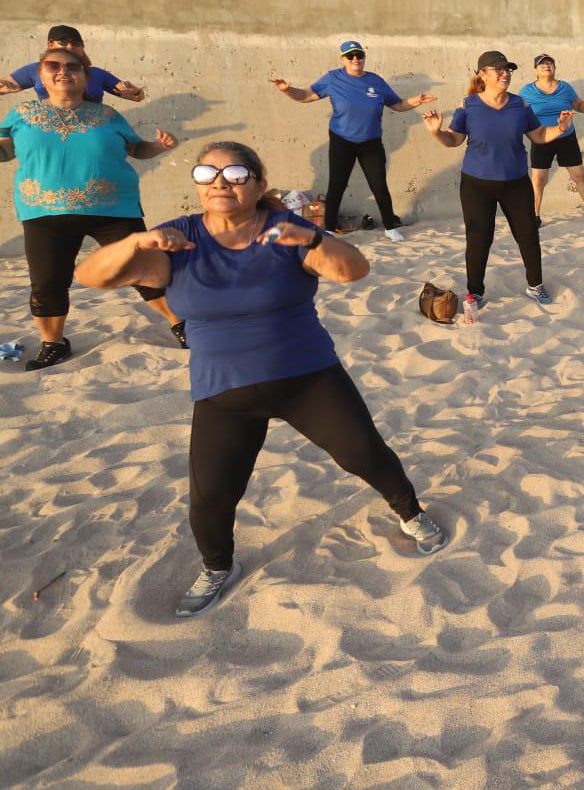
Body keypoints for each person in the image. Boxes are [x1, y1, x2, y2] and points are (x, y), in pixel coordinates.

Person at [74, 141, 447, 618]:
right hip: (223, 392)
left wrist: (313, 239)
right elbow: (91, 277)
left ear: (258, 183)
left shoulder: (284, 231)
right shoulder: (176, 239)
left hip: (307, 378)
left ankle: (411, 513)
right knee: (210, 497)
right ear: (197, 185)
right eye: (207, 174)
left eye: (233, 173)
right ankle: (216, 566)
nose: (220, 183)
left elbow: (355, 270)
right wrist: (131, 243)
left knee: (363, 453)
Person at [0, 45, 182, 369]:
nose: (63, 71)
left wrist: (159, 146)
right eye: (53, 65)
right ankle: (54, 343)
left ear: (86, 77)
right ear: (40, 75)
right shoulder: (20, 115)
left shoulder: (109, 115)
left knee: (144, 269)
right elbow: (4, 152)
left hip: (113, 208)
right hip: (44, 211)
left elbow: (137, 149)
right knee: (47, 282)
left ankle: (181, 325)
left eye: (73, 67)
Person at [421, 50, 577, 309]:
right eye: (499, 69)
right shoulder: (468, 106)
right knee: (479, 238)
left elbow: (538, 135)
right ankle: (475, 292)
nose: (505, 74)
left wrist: (560, 128)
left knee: (527, 234)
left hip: (515, 182)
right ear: (483, 74)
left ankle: (535, 285)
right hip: (476, 184)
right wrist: (436, 132)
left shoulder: (520, 104)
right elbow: (454, 140)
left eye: (508, 70)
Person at [267, 41, 436, 242]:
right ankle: (329, 229)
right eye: (350, 55)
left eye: (359, 54)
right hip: (342, 140)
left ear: (364, 57)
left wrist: (418, 100)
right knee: (337, 185)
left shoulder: (376, 81)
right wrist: (287, 89)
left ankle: (390, 227)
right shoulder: (332, 78)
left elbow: (398, 105)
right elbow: (305, 96)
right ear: (343, 59)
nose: (355, 59)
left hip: (371, 141)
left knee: (379, 186)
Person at [517, 53, 584, 224]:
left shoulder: (565, 87)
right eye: (542, 64)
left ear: (555, 68)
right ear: (535, 69)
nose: (546, 66)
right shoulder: (526, 91)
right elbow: (519, 112)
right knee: (539, 179)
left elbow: (577, 104)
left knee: (579, 176)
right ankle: (535, 216)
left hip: (566, 137)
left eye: (550, 63)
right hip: (542, 138)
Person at [0, 25, 146, 103]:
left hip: (91, 130)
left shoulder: (96, 74)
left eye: (75, 43)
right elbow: (4, 85)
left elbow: (137, 97)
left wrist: (135, 91)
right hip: (52, 129)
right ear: (50, 44)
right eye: (63, 42)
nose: (69, 47)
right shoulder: (36, 70)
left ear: (82, 48)